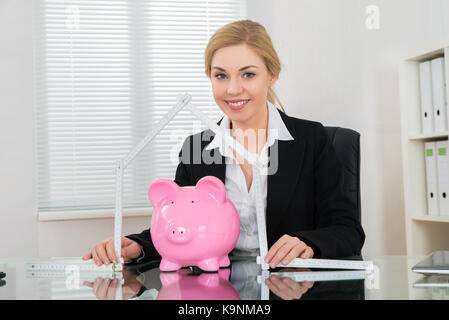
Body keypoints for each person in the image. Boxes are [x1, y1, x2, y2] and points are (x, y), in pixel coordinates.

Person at [83, 19, 365, 270]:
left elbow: (348, 230)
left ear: (272, 75)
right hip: (216, 286)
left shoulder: (311, 140)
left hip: (294, 286)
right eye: (221, 75)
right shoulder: (197, 148)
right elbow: (179, 225)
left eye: (248, 74)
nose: (232, 89)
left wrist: (307, 243)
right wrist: (137, 246)